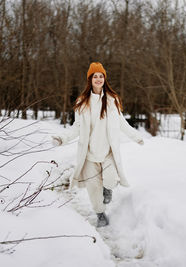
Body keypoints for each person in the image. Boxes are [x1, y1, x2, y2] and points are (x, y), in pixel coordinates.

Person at [52, 62, 144, 227]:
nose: (98, 79)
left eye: (101, 76)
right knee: (93, 190)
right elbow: (77, 127)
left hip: (108, 153)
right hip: (89, 156)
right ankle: (101, 214)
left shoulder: (112, 100)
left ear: (104, 79)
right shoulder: (82, 102)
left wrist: (136, 137)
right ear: (90, 79)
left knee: (110, 179)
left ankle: (108, 189)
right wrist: (62, 138)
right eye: (95, 76)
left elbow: (122, 123)